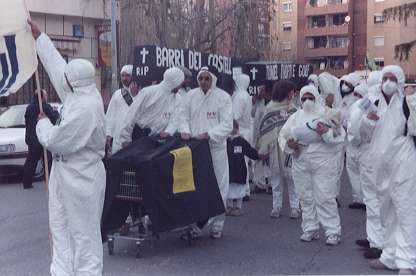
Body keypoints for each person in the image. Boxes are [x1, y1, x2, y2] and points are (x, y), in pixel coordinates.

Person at [29, 20, 106, 276]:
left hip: (82, 176)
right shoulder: (77, 91)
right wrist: (40, 38)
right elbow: (56, 67)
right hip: (64, 173)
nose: (65, 81)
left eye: (68, 79)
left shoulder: (87, 108)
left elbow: (55, 140)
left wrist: (42, 125)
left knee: (84, 236)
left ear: (75, 81)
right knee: (60, 228)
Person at [358, 65, 416, 274]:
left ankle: (407, 262)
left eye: (392, 78)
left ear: (400, 81)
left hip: (404, 163)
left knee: (406, 213)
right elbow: (362, 135)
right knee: (387, 213)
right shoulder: (373, 103)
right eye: (385, 78)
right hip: (381, 167)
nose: (388, 82)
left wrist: (411, 99)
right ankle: (390, 256)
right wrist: (368, 122)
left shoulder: (407, 102)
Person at [280, 85, 345, 246]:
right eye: (304, 98)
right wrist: (290, 145)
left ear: (316, 97)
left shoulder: (327, 114)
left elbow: (339, 136)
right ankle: (310, 228)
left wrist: (325, 134)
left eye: (310, 97)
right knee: (305, 197)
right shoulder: (295, 117)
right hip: (301, 160)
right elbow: (283, 135)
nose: (307, 101)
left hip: (323, 161)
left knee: (325, 197)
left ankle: (332, 231)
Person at [179, 66, 233, 239]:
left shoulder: (223, 98)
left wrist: (209, 135)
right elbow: (182, 117)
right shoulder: (190, 96)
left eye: (207, 78)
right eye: (201, 78)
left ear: (213, 80)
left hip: (215, 148)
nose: (203, 81)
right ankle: (194, 224)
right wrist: (185, 130)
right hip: (194, 148)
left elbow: (227, 125)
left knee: (218, 186)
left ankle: (217, 225)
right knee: (195, 187)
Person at [257, 80, 300, 219]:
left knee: (293, 179)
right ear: (285, 92)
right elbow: (264, 131)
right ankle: (276, 207)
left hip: (289, 148)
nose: (293, 94)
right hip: (275, 148)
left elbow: (298, 128)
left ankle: (295, 207)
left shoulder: (293, 109)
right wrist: (264, 149)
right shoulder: (270, 108)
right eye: (291, 91)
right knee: (276, 179)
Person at [119, 67, 185, 146]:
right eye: (179, 83)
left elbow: (175, 119)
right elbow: (132, 114)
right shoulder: (149, 92)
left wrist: (168, 131)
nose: (180, 86)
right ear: (174, 82)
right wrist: (125, 139)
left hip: (159, 141)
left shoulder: (177, 98)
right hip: (141, 137)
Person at [22, 89, 59, 189]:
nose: (46, 97)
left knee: (31, 161)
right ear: (42, 97)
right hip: (42, 137)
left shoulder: (29, 107)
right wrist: (55, 112)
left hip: (31, 139)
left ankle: (27, 182)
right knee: (48, 161)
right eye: (45, 96)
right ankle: (51, 181)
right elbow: (54, 119)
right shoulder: (45, 107)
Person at [226, 120, 263, 216]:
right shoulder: (225, 141)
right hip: (229, 170)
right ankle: (229, 207)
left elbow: (250, 151)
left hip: (240, 169)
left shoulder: (242, 141)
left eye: (233, 127)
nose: (231, 129)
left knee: (239, 189)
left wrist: (259, 156)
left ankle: (238, 207)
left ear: (237, 128)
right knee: (228, 189)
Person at [105, 65, 140, 155]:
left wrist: (135, 95)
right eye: (123, 75)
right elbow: (110, 115)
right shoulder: (117, 94)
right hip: (118, 137)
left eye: (127, 75)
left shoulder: (141, 94)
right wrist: (108, 134)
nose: (124, 78)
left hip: (135, 136)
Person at [345, 84, 368, 209]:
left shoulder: (358, 105)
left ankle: (361, 198)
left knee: (356, 172)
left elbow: (352, 124)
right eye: (356, 94)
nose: (356, 97)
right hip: (359, 144)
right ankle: (361, 198)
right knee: (359, 172)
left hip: (356, 143)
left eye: (358, 95)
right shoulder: (368, 104)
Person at [232, 73, 253, 199]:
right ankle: (245, 190)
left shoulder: (240, 97)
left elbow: (235, 116)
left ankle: (244, 191)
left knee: (241, 162)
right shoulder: (246, 95)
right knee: (244, 161)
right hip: (246, 131)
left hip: (240, 132)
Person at [251, 80, 273, 193]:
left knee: (270, 160)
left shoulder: (274, 103)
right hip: (259, 136)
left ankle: (271, 184)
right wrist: (254, 101)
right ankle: (259, 184)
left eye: (262, 90)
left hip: (270, 136)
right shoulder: (260, 102)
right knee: (259, 159)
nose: (260, 92)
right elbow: (252, 113)